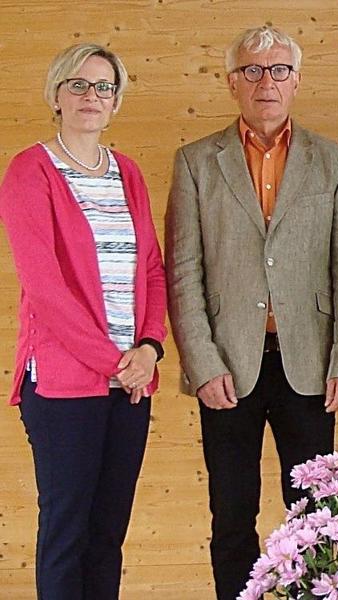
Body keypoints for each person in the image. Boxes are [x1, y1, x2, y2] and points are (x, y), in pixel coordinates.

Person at [164, 26, 338, 600]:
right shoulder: (196, 162)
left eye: (279, 70)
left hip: (309, 366)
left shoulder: (334, 161)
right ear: (232, 83)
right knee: (231, 514)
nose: (267, 82)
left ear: (297, 81)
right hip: (227, 366)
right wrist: (202, 363)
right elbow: (184, 272)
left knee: (314, 516)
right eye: (253, 71)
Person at [0, 43, 167, 600]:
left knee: (107, 537)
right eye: (78, 85)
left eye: (103, 87)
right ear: (55, 95)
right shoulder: (30, 171)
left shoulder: (129, 173)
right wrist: (116, 363)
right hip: (64, 384)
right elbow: (46, 291)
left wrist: (148, 349)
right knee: (67, 534)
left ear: (116, 101)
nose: (91, 97)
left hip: (131, 384)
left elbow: (151, 270)